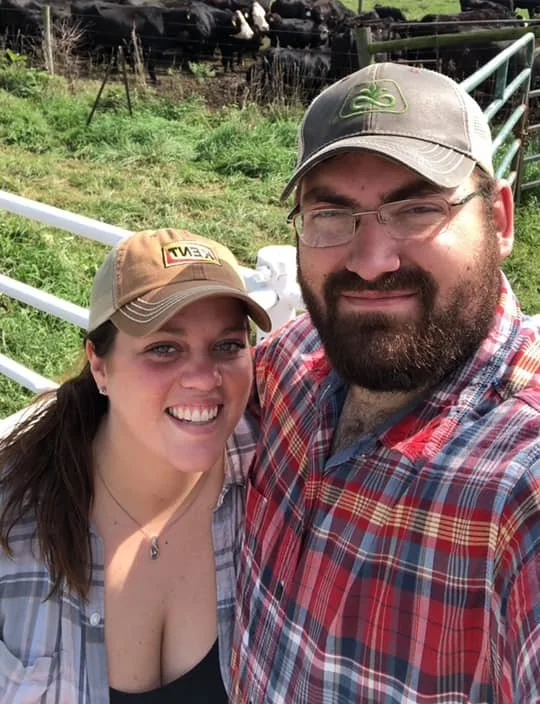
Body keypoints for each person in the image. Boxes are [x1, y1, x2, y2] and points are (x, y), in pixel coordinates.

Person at [231, 61, 540, 703]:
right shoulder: (290, 364)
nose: (371, 263)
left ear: (501, 220)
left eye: (417, 209)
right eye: (331, 215)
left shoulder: (520, 486)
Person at [0, 227, 271, 703]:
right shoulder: (12, 517)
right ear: (99, 366)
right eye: (163, 348)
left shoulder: (272, 473)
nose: (205, 379)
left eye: (227, 345)